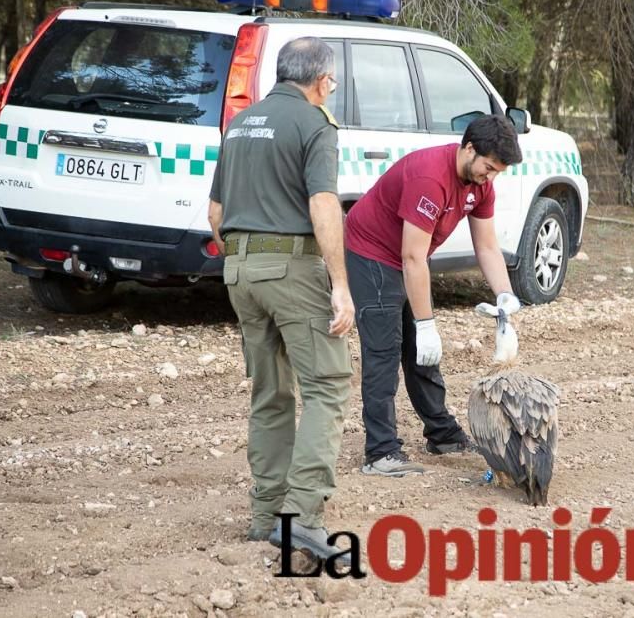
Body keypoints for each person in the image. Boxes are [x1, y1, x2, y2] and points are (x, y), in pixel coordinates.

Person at [207, 37, 354, 560]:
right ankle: (300, 519)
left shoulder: (242, 124)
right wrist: (339, 285)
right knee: (328, 387)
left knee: (270, 395)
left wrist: (244, 259)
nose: (331, 89)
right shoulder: (315, 126)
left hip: (239, 270)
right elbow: (322, 204)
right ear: (321, 80)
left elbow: (215, 214)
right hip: (291, 269)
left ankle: (265, 515)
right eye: (331, 82)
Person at [344, 115, 524, 477]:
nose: (490, 177)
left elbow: (487, 246)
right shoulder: (431, 177)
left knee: (423, 352)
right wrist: (426, 324)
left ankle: (442, 433)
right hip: (372, 252)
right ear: (469, 148)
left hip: (410, 258)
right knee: (385, 348)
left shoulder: (480, 184)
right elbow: (411, 258)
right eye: (489, 167)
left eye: (497, 172)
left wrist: (505, 296)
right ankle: (380, 452)